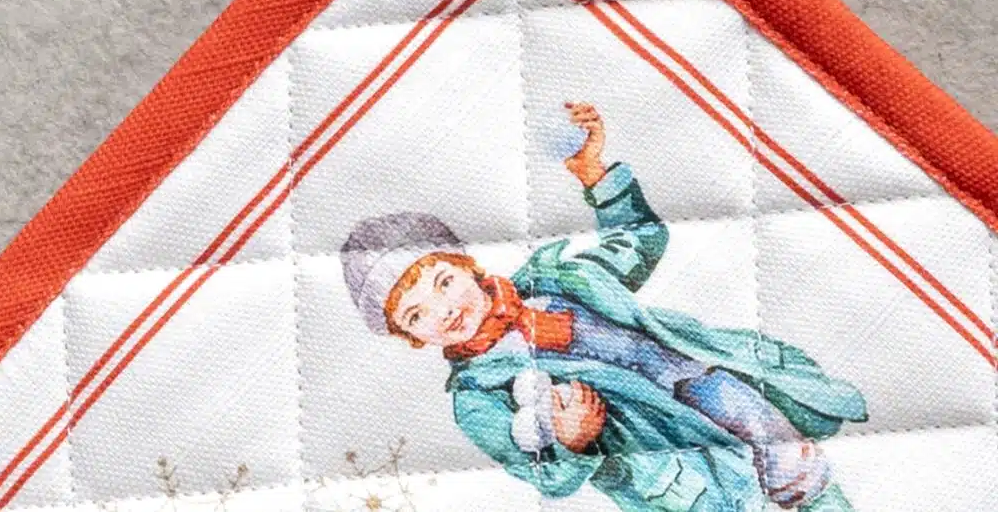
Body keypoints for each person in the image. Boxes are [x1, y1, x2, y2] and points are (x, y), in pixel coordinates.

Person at [341, 103, 866, 511]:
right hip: (668, 464)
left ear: (467, 266)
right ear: (410, 337)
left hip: (709, 382)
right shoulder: (476, 396)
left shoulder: (554, 280)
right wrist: (572, 442)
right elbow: (540, 472)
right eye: (415, 315)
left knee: (798, 467)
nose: (443, 309)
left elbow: (639, 242)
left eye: (443, 281)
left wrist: (594, 173)